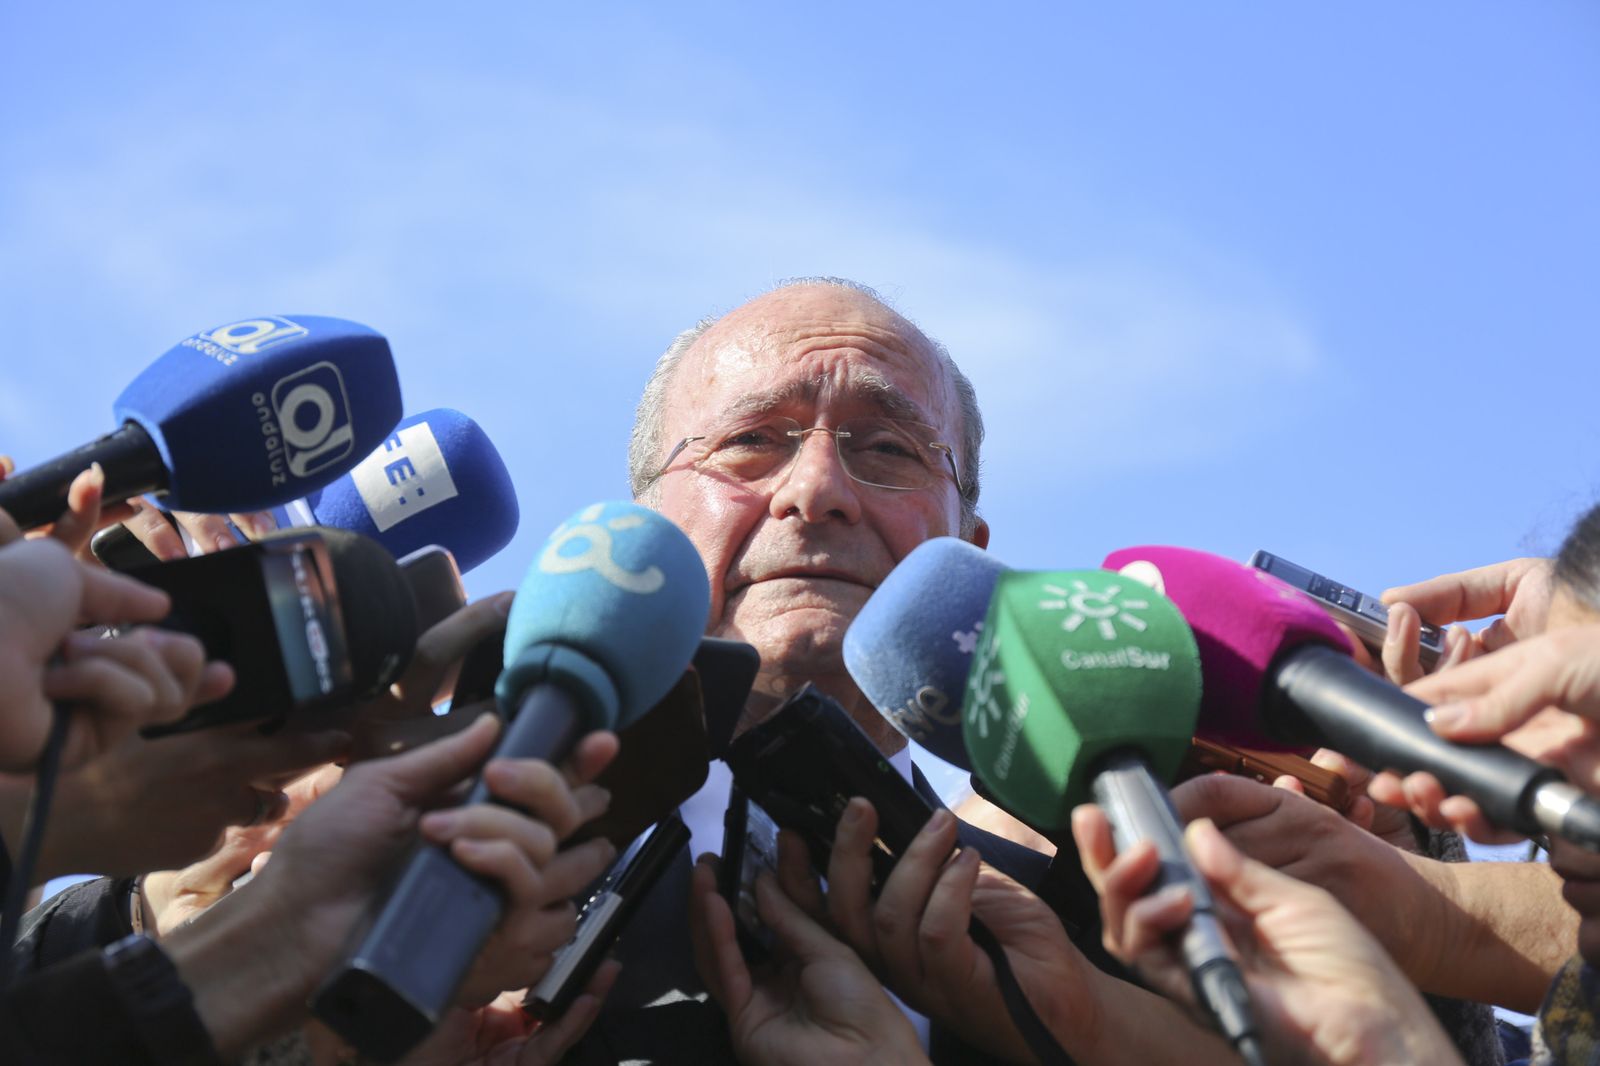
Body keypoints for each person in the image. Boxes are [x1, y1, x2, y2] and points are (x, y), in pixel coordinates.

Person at [561, 277, 1247, 1065]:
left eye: (887, 449)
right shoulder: (464, 859)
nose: (816, 492)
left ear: (969, 553)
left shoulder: (1107, 948)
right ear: (647, 527)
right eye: (752, 439)